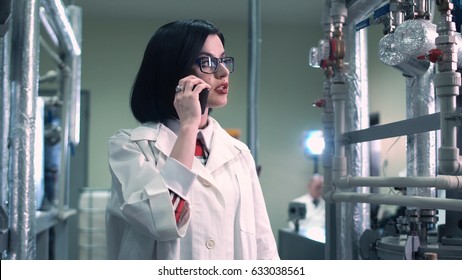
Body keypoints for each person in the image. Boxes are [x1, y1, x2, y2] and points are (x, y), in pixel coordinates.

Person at [105, 19, 279, 260]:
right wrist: (188, 125)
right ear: (173, 71)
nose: (223, 72)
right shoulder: (129, 147)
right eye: (207, 62)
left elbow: (263, 244)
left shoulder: (239, 153)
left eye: (223, 60)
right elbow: (161, 220)